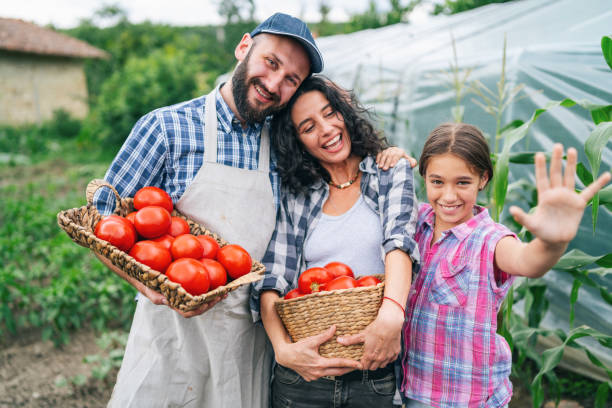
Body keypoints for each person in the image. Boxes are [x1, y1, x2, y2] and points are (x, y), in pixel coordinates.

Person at [93, 13, 408, 408]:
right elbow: (101, 219)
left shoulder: (285, 144)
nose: (275, 84)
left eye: (291, 79)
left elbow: (339, 164)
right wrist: (147, 285)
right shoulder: (166, 127)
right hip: (172, 333)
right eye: (271, 63)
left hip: (250, 339)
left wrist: (387, 156)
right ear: (244, 47)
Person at [398, 123, 611, 408]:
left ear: (483, 179)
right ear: (423, 177)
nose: (448, 196)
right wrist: (389, 156)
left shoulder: (490, 240)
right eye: (437, 182)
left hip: (462, 399)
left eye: (462, 182)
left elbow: (527, 261)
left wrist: (551, 243)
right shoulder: (413, 223)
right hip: (406, 386)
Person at [250, 75, 420, 408]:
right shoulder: (297, 195)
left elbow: (399, 243)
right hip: (303, 379)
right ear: (297, 141)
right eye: (308, 127)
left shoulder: (389, 173)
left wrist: (392, 314)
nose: (326, 129)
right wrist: (283, 350)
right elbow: (273, 277)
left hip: (372, 374)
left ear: (345, 113)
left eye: (330, 113)